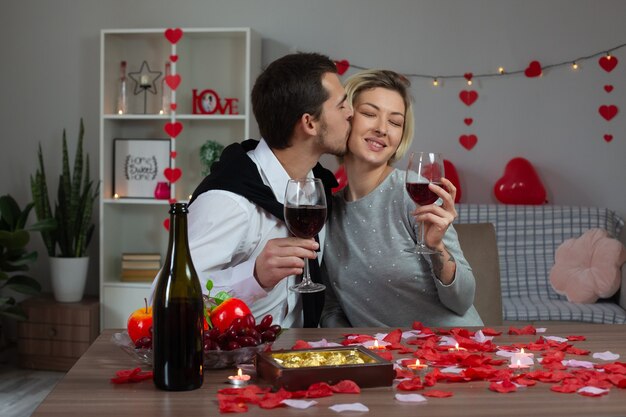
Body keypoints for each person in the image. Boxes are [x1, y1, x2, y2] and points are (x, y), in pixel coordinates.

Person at [180, 52, 353, 328]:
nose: (351, 113)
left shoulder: (315, 189)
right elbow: (168, 301)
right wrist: (254, 276)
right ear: (309, 123)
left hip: (298, 358)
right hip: (235, 363)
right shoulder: (229, 201)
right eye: (342, 106)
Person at [320, 69, 483, 328]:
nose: (382, 129)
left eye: (395, 122)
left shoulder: (414, 194)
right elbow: (332, 307)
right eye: (370, 114)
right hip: (384, 361)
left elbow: (462, 301)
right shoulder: (326, 212)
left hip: (453, 352)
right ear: (347, 118)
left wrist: (437, 249)